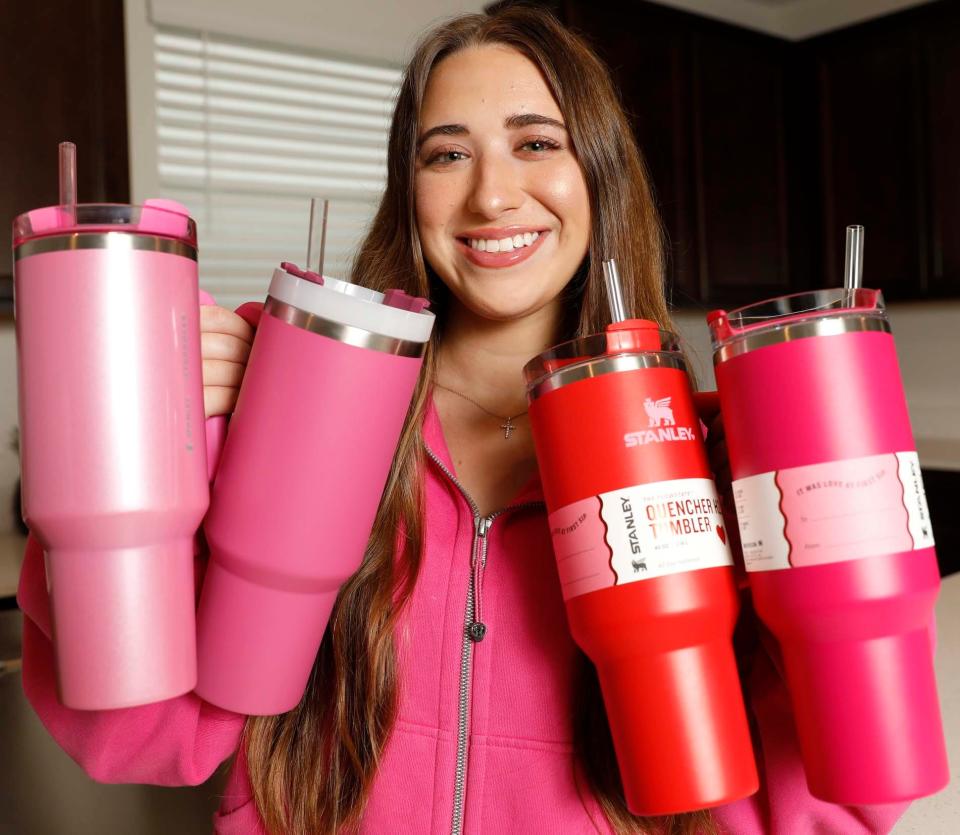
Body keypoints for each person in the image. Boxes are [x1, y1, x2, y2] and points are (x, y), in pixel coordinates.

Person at [18, 8, 911, 834]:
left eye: (536, 142)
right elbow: (138, 737)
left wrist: (834, 550)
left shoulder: (705, 453)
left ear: (599, 170)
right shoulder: (290, 400)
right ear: (408, 189)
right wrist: (136, 448)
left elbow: (832, 790)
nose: (492, 196)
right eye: (447, 154)